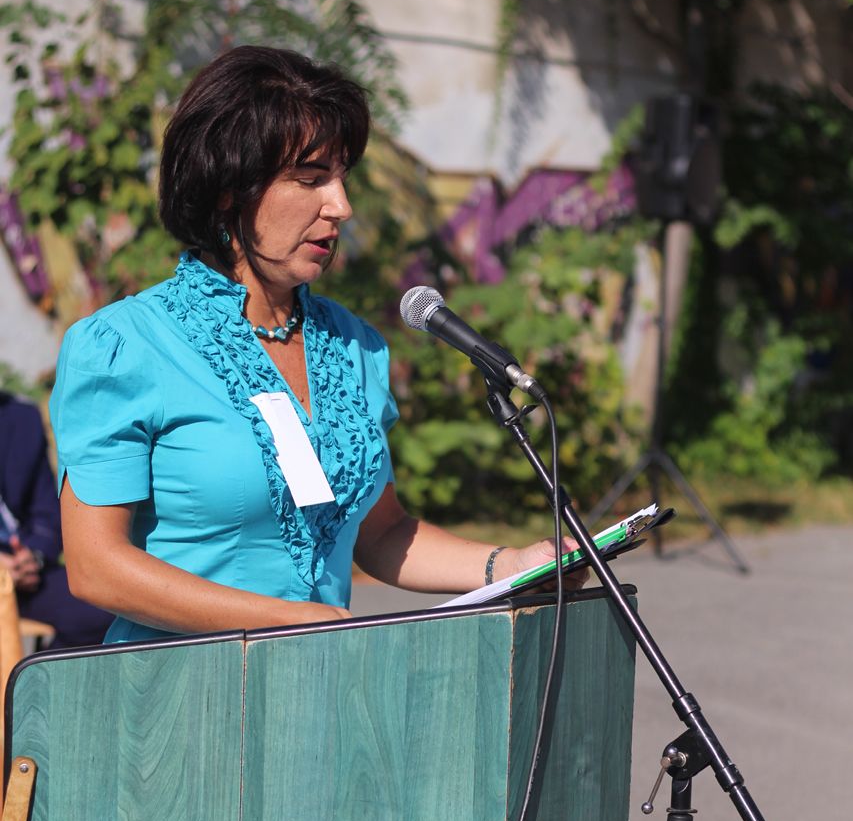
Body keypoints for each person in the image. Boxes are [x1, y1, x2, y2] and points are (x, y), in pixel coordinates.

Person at [50, 46, 584, 645]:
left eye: (341, 178)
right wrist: (287, 620)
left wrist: (509, 565)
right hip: (183, 691)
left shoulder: (354, 346)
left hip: (323, 684)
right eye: (309, 180)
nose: (341, 207)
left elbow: (382, 534)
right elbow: (96, 568)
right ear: (228, 188)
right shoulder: (126, 345)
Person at [0, 391, 112, 647]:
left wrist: (33, 558)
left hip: (22, 570)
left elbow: (47, 513)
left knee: (102, 608)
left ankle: (40, 674)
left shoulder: (21, 418)